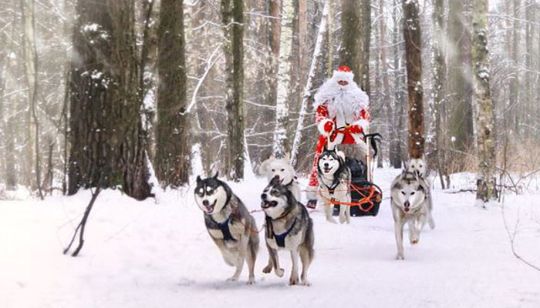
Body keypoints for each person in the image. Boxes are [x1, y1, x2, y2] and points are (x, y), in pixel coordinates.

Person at [306, 65, 371, 209]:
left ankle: (362, 188)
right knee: (320, 160)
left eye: (344, 82)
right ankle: (314, 195)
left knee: (365, 156)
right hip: (331, 135)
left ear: (349, 82)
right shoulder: (326, 97)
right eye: (339, 82)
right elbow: (320, 115)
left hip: (352, 136)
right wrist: (325, 123)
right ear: (335, 81)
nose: (342, 85)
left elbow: (364, 116)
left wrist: (360, 125)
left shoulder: (357, 97)